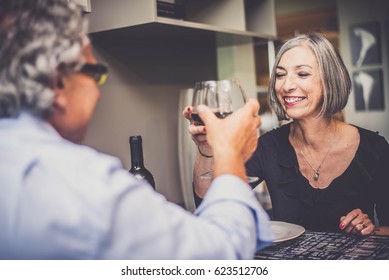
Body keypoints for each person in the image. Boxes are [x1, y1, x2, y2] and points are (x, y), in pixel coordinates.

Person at [0, 0, 273, 259]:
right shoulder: (84, 185)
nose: (97, 92)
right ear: (58, 82)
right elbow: (222, 254)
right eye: (95, 74)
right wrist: (229, 151)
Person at [185, 33, 389, 236]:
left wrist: (369, 231)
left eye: (302, 74)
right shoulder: (267, 147)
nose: (286, 86)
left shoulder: (375, 149)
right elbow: (210, 205)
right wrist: (207, 149)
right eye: (281, 75)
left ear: (329, 82)